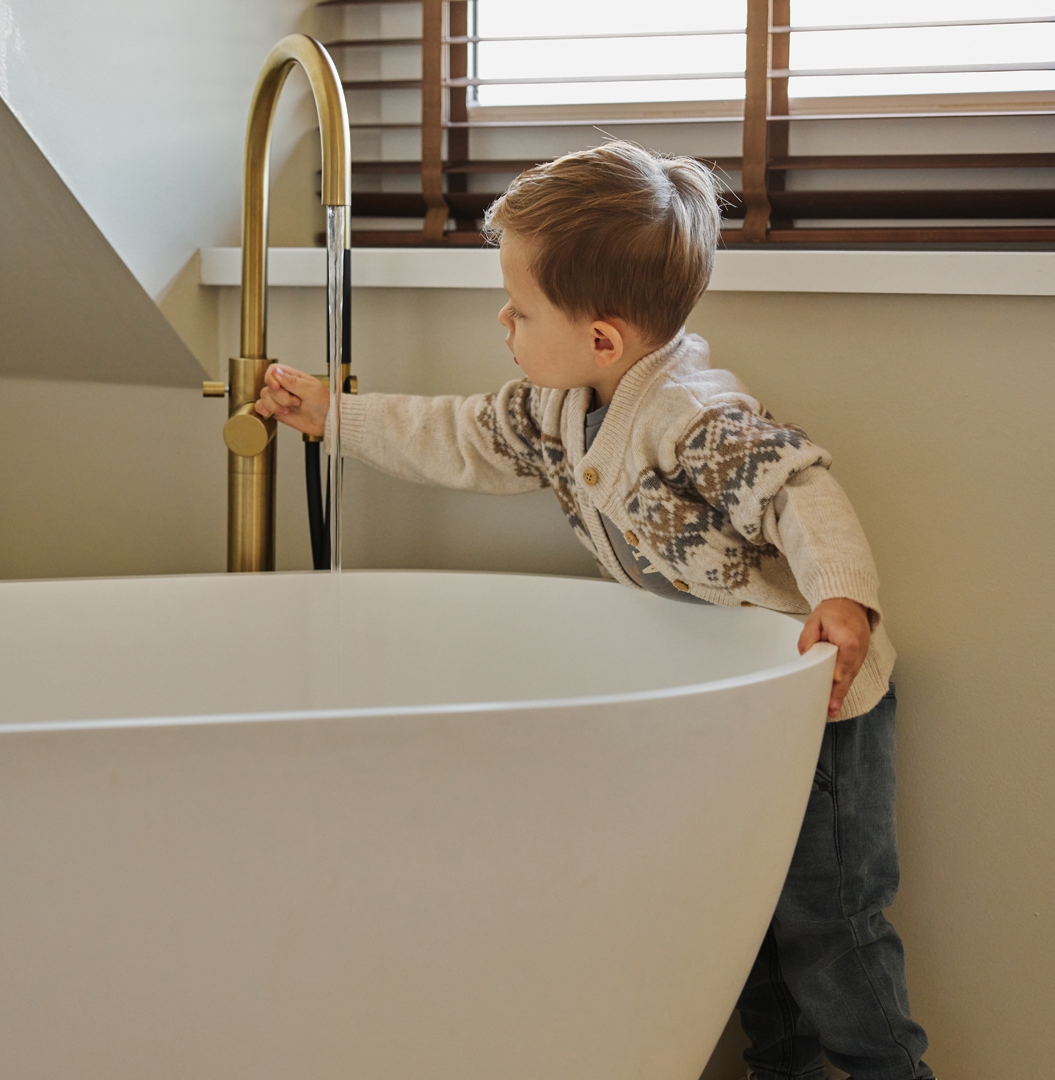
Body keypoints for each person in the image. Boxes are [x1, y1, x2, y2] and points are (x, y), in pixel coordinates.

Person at [255, 141, 935, 1080]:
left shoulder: (693, 416)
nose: (503, 322)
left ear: (602, 338)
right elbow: (460, 435)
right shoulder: (557, 409)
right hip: (734, 713)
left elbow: (797, 491)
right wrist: (334, 417)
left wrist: (842, 598)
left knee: (828, 930)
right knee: (741, 921)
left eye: (520, 310)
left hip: (820, 707)